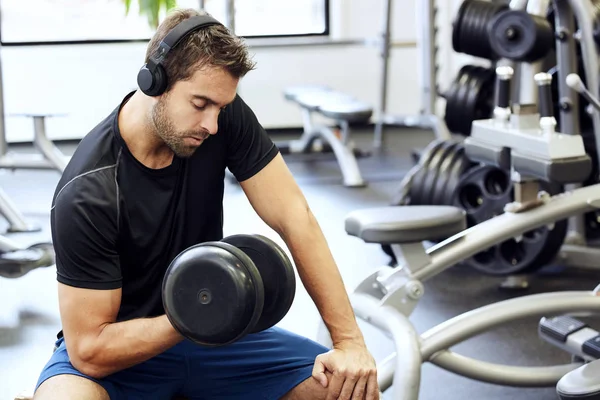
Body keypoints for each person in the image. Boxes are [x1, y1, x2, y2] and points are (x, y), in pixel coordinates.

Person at [33, 7, 379, 400]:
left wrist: (349, 341)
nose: (212, 125)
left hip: (214, 341)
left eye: (221, 108)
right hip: (122, 351)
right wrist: (200, 314)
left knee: (349, 390)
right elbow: (91, 351)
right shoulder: (89, 191)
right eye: (200, 105)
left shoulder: (219, 118)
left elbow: (294, 216)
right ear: (155, 82)